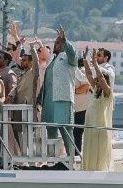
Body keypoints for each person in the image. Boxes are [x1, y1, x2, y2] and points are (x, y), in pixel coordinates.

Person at [37, 27, 79, 158]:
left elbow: (73, 54)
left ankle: (71, 160)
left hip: (62, 99)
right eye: (56, 42)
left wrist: (65, 40)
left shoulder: (68, 58)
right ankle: (52, 159)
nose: (56, 44)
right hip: (49, 100)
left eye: (59, 42)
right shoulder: (52, 60)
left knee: (65, 129)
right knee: (51, 130)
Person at [79, 47, 115, 171]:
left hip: (99, 128)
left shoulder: (107, 92)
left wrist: (94, 63)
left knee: (98, 155)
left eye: (99, 79)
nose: (96, 80)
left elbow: (100, 76)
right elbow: (89, 74)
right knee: (89, 151)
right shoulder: (96, 90)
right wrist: (85, 59)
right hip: (91, 127)